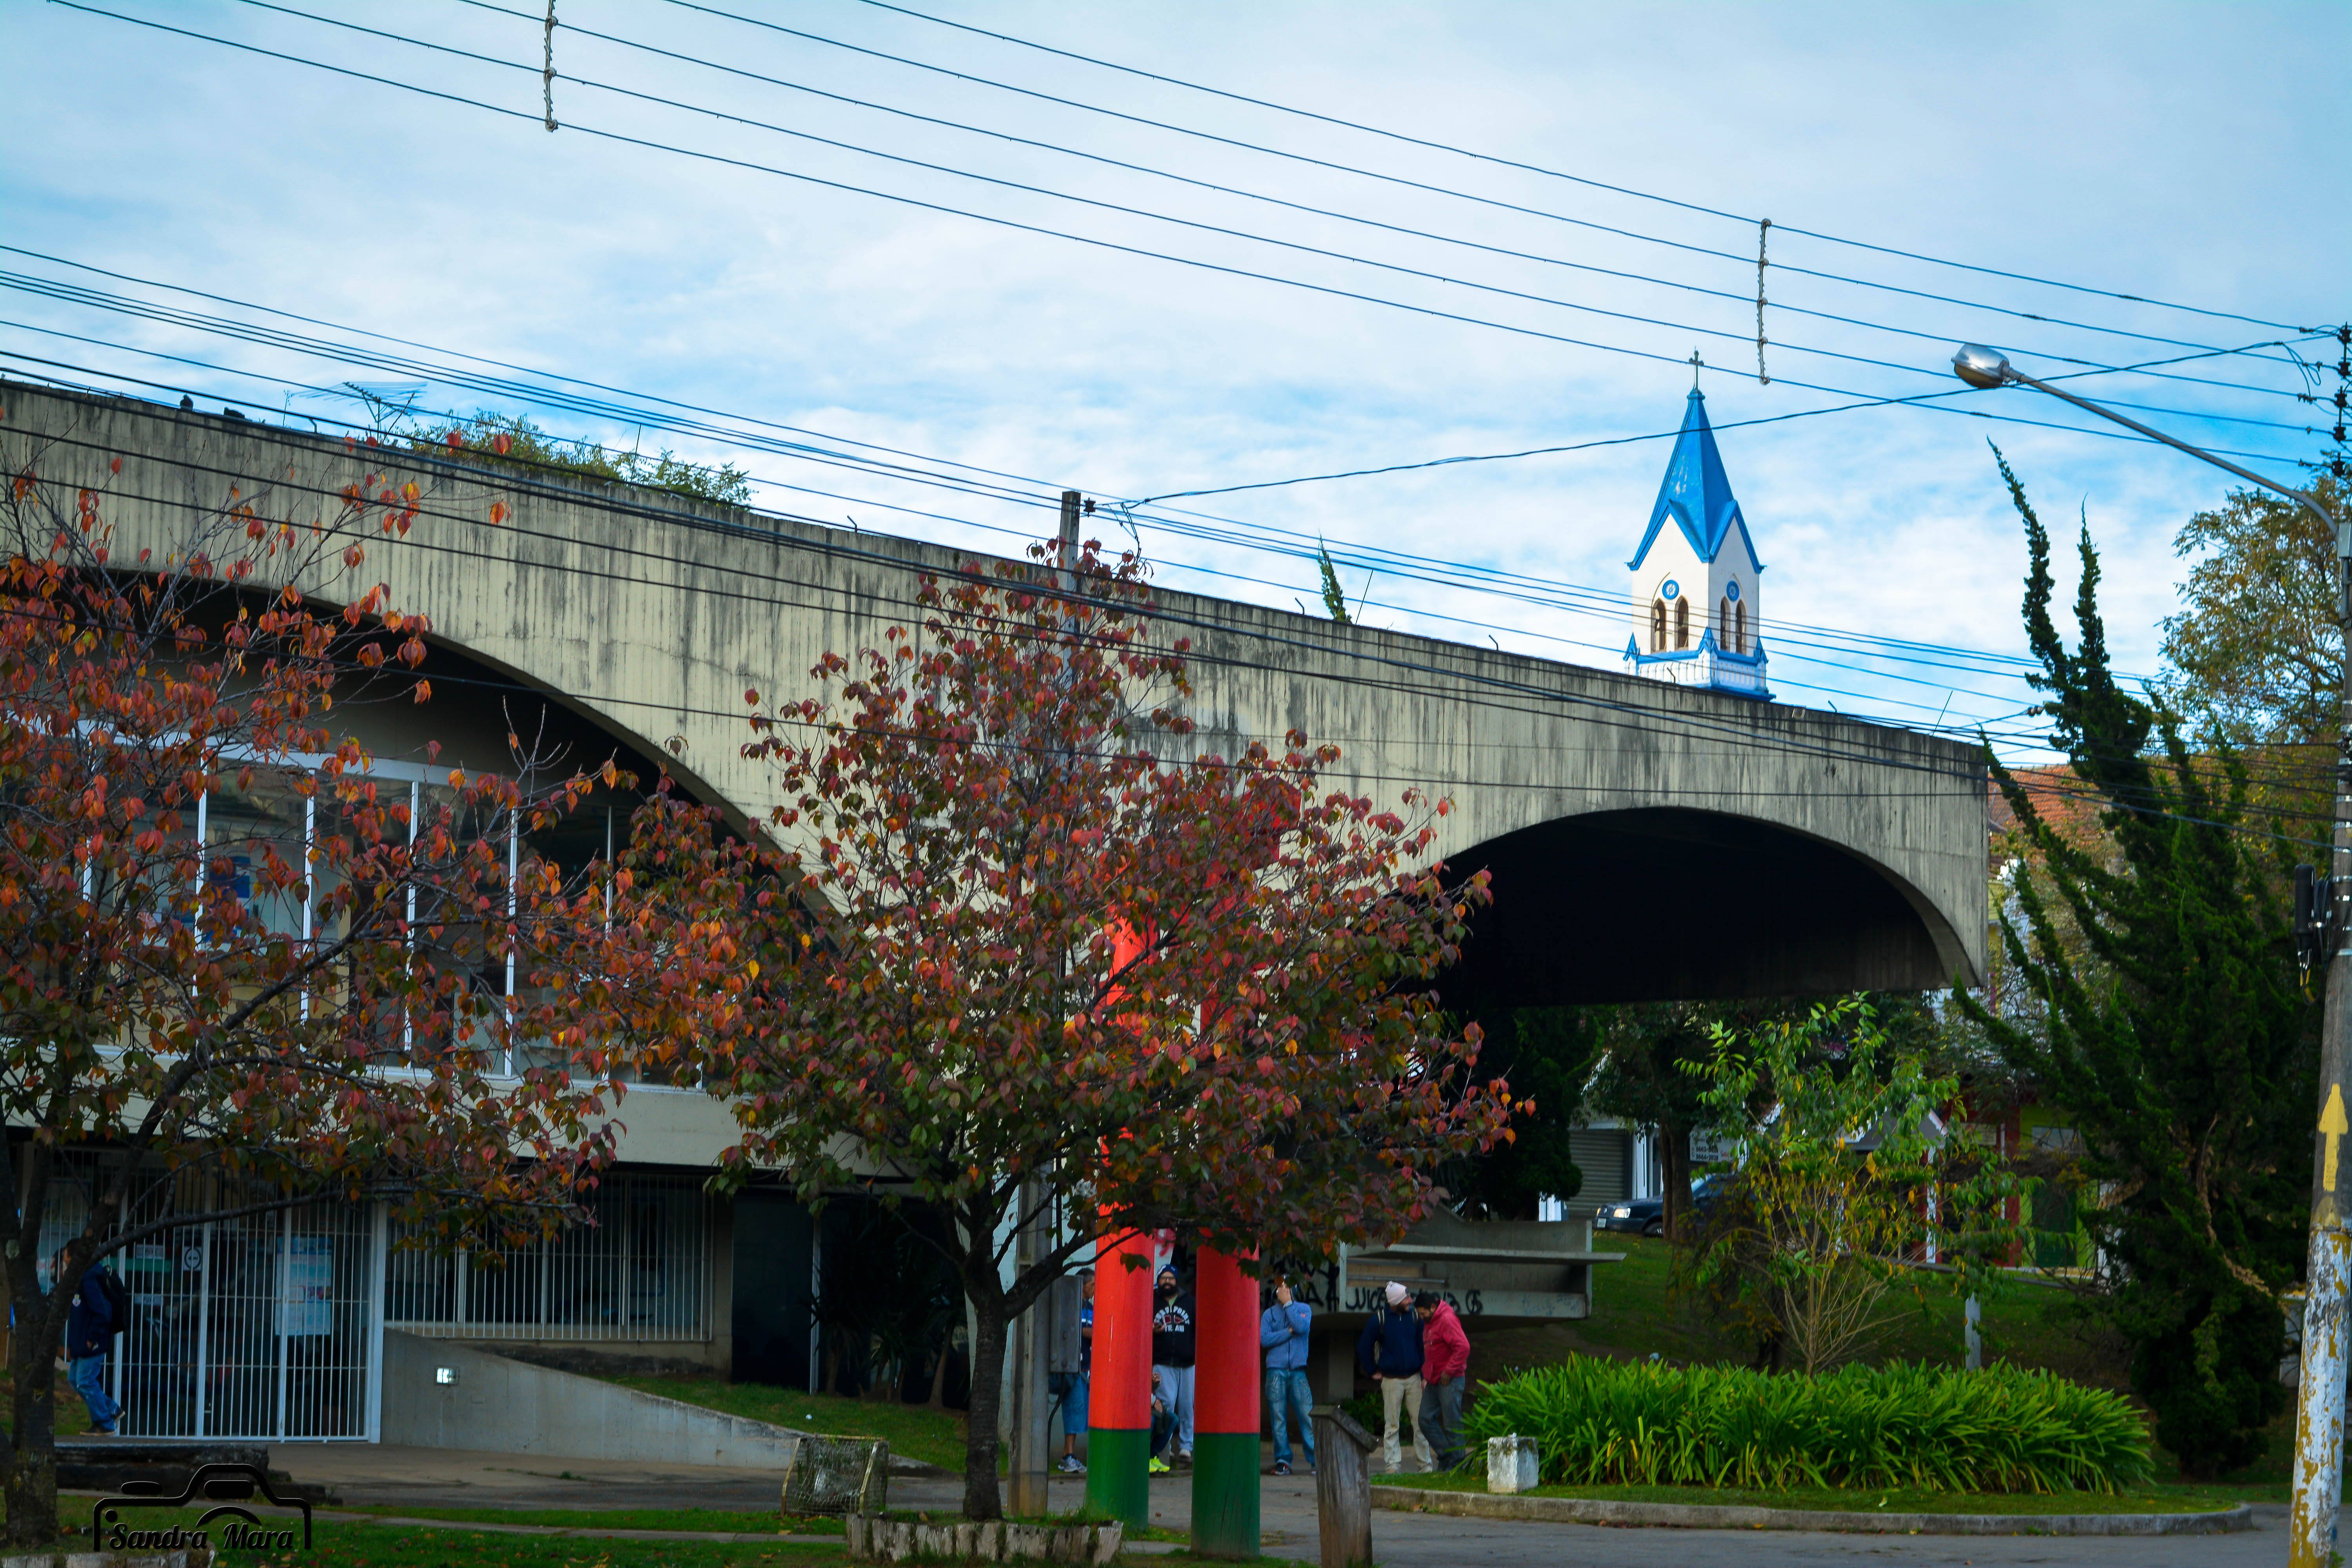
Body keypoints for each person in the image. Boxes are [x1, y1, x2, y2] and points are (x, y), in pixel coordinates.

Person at [1355, 1281, 1431, 1472]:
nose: (1410, 1301)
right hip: (1391, 1380)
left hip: (1414, 1378)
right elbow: (1364, 1346)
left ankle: (1425, 1465)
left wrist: (1424, 1375)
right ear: (1396, 1301)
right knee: (1392, 1425)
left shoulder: (1415, 1317)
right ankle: (1392, 1466)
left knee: (1420, 1424)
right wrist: (1373, 1370)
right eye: (1406, 1298)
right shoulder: (1379, 1320)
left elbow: (1423, 1348)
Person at [60, 1251, 120, 1436]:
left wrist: (91, 1339)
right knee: (74, 1380)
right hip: (83, 1343)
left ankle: (105, 1423)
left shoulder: (89, 1278)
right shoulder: (82, 1277)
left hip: (93, 1343)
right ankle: (111, 1409)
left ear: (72, 1255)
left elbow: (103, 1312)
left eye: (65, 1255)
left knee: (85, 1381)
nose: (63, 1260)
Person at [1259, 1275, 1315, 1476]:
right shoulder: (1269, 1315)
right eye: (1280, 1287)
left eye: (1287, 1287)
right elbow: (1265, 1339)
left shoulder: (1304, 1310)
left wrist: (1289, 1305)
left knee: (1307, 1417)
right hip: (1276, 1370)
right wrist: (1288, 1332)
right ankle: (1283, 1461)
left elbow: (1301, 1327)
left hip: (1299, 1371)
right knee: (1278, 1418)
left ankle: (1317, 1461)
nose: (1282, 1290)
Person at [1415, 1289, 1470, 1472]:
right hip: (1434, 1379)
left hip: (1450, 1379)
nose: (1421, 1317)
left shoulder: (1447, 1320)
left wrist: (1449, 1371)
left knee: (1452, 1422)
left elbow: (1463, 1347)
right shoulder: (1429, 1321)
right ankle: (1447, 1456)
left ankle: (1457, 1464)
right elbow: (1432, 1350)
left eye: (1423, 1313)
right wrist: (1427, 1376)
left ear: (1432, 1307)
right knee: (1424, 1419)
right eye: (1419, 1314)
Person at [1149, 1263, 1197, 1464]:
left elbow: (1198, 1328)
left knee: (1187, 1406)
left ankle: (1186, 1447)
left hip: (1187, 1362)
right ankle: (1165, 1448)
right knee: (1165, 1404)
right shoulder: (1151, 1301)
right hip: (1162, 1361)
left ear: (1177, 1281)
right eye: (1163, 1279)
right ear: (1158, 1281)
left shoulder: (1189, 1302)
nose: (1167, 1282)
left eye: (1171, 1279)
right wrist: (1149, 1328)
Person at [1049, 1269, 1094, 1474]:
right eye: (1092, 1285)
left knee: (1081, 1412)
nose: (1095, 1289)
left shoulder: (1091, 1307)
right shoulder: (1070, 1306)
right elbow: (1074, 1330)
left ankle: (1071, 1455)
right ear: (1082, 1285)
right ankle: (1068, 1456)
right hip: (1072, 1367)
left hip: (1086, 1366)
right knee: (1074, 1410)